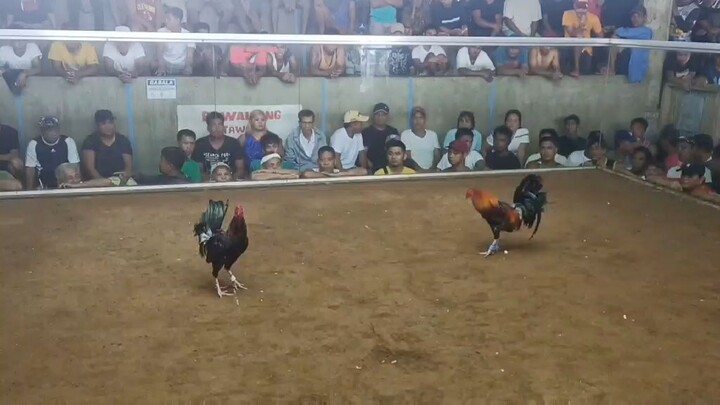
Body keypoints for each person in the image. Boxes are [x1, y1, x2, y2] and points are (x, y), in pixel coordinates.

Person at [25, 116, 80, 190]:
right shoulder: (34, 144)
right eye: (49, 130)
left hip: (65, 180)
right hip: (44, 180)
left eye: (55, 129)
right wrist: (29, 190)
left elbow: (75, 166)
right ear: (42, 132)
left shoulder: (68, 141)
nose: (53, 133)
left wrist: (77, 185)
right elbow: (30, 169)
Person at [191, 111, 246, 179]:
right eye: (213, 124)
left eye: (220, 124)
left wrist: (229, 180)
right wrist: (213, 181)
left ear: (224, 127)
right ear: (208, 128)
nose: (217, 127)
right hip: (207, 183)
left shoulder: (233, 143)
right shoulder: (200, 144)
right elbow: (198, 171)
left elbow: (240, 169)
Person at [82, 110, 134, 180]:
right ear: (97, 125)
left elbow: (128, 168)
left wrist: (123, 180)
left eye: (110, 122)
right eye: (103, 123)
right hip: (97, 182)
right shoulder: (90, 141)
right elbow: (90, 169)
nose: (108, 126)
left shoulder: (123, 140)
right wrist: (104, 183)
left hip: (120, 180)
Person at [609, 6, 653, 83]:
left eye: (638, 16)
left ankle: (611, 69)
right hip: (627, 68)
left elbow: (621, 32)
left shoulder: (647, 32)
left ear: (645, 18)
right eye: (633, 16)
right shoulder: (630, 34)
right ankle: (611, 69)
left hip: (637, 71)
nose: (635, 18)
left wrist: (615, 30)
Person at [562, 0, 602, 77]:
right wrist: (582, 24)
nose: (581, 9)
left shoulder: (593, 17)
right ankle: (576, 68)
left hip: (586, 50)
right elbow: (572, 33)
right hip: (569, 48)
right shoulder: (567, 14)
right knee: (579, 37)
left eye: (584, 6)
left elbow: (600, 35)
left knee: (585, 73)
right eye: (579, 6)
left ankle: (578, 70)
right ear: (574, 5)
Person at [0, 25, 42, 94]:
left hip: (32, 87)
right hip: (9, 85)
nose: (20, 43)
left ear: (26, 40)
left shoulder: (32, 47)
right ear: (11, 41)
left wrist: (24, 73)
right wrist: (4, 71)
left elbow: (38, 68)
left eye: (22, 39)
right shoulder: (4, 50)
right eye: (16, 40)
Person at [156, 7, 195, 76]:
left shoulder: (188, 35)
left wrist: (188, 67)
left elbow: (190, 56)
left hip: (181, 66)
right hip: (165, 65)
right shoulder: (161, 32)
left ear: (178, 20)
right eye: (165, 18)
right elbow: (159, 52)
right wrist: (161, 66)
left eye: (169, 19)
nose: (166, 21)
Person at [362, 103, 400, 173]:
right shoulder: (366, 132)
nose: (380, 117)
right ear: (373, 116)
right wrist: (369, 165)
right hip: (372, 167)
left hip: (390, 166)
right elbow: (363, 153)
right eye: (377, 114)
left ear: (387, 116)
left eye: (383, 115)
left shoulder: (393, 131)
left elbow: (398, 151)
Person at [401, 107, 440, 172]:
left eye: (420, 118)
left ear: (425, 120)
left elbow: (437, 155)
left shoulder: (432, 134)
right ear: (411, 120)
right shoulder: (405, 134)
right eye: (415, 118)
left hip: (431, 172)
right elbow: (407, 157)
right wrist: (420, 170)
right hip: (413, 171)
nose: (418, 121)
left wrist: (432, 169)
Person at [56, 162, 138, 189]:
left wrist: (76, 186)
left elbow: (107, 182)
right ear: (62, 180)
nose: (74, 180)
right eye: (70, 178)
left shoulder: (85, 186)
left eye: (77, 176)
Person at [301, 146, 367, 178]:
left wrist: (338, 175)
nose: (326, 162)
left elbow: (363, 171)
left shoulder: (338, 172)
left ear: (335, 161)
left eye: (329, 159)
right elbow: (306, 174)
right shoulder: (314, 171)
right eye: (322, 160)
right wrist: (330, 175)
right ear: (318, 161)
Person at [0, 118, 23, 183]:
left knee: (17, 163)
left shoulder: (10, 132)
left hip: (5, 161)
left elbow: (14, 155)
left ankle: (18, 185)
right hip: (5, 158)